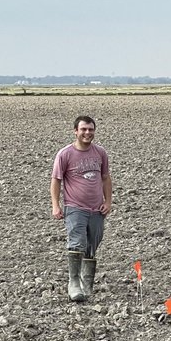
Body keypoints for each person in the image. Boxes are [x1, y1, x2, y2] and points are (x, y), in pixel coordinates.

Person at [50, 116, 113, 302]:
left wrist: (108, 201)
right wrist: (56, 205)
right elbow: (56, 180)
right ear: (75, 131)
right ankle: (74, 283)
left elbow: (105, 178)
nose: (87, 133)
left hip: (97, 209)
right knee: (76, 244)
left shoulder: (100, 153)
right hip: (75, 207)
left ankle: (87, 285)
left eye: (90, 130)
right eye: (83, 129)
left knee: (92, 245)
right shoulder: (65, 154)